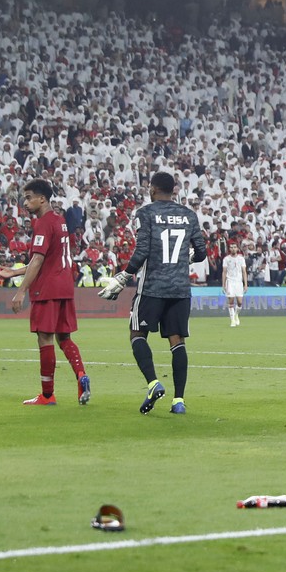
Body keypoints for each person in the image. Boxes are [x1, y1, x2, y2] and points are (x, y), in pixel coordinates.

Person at [100, 172, 207, 415]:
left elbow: (142, 251)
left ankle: (152, 383)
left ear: (152, 189)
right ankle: (178, 400)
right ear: (174, 191)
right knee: (177, 340)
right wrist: (183, 259)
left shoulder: (146, 213)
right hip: (180, 289)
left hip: (152, 287)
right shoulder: (189, 215)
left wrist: (124, 276)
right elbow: (201, 253)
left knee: (137, 333)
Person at [0, 179, 91, 406]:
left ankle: (47, 395)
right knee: (64, 337)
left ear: (42, 199)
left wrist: (20, 291)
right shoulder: (60, 221)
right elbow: (47, 259)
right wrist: (14, 272)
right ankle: (81, 375)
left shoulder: (43, 223)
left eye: (28, 198)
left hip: (47, 289)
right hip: (65, 286)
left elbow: (38, 259)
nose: (25, 203)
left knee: (44, 338)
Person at [222, 240, 248, 327]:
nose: (233, 249)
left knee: (240, 302)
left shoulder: (241, 259)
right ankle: (232, 320)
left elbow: (244, 271)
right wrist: (223, 285)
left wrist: (245, 284)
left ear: (237, 248)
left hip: (238, 282)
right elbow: (224, 272)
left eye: (234, 247)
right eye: (231, 247)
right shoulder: (226, 259)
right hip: (230, 281)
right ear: (229, 249)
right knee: (231, 301)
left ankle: (236, 314)